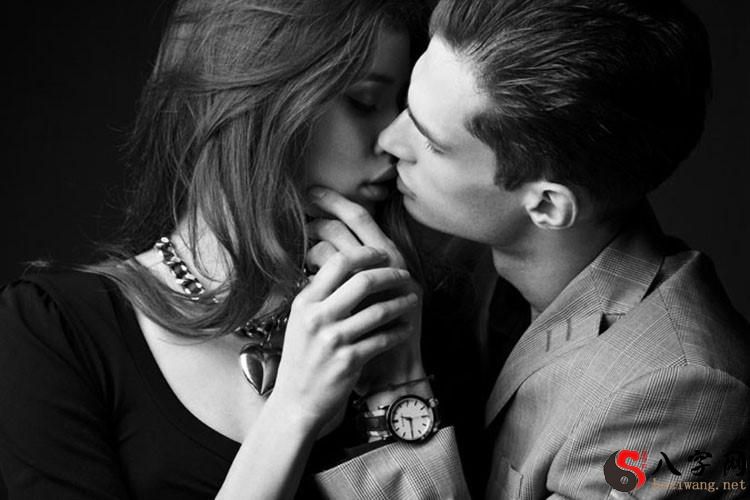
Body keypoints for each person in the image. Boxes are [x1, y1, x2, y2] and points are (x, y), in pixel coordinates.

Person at [0, 1, 474, 498]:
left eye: (403, 104)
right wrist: (293, 411)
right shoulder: (55, 334)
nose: (396, 137)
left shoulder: (416, 323)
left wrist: (397, 387)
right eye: (364, 101)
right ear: (258, 106)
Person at [306, 0, 750, 498]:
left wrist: (396, 391)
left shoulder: (676, 396)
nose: (390, 138)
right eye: (408, 105)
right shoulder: (468, 256)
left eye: (432, 143)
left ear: (547, 206)